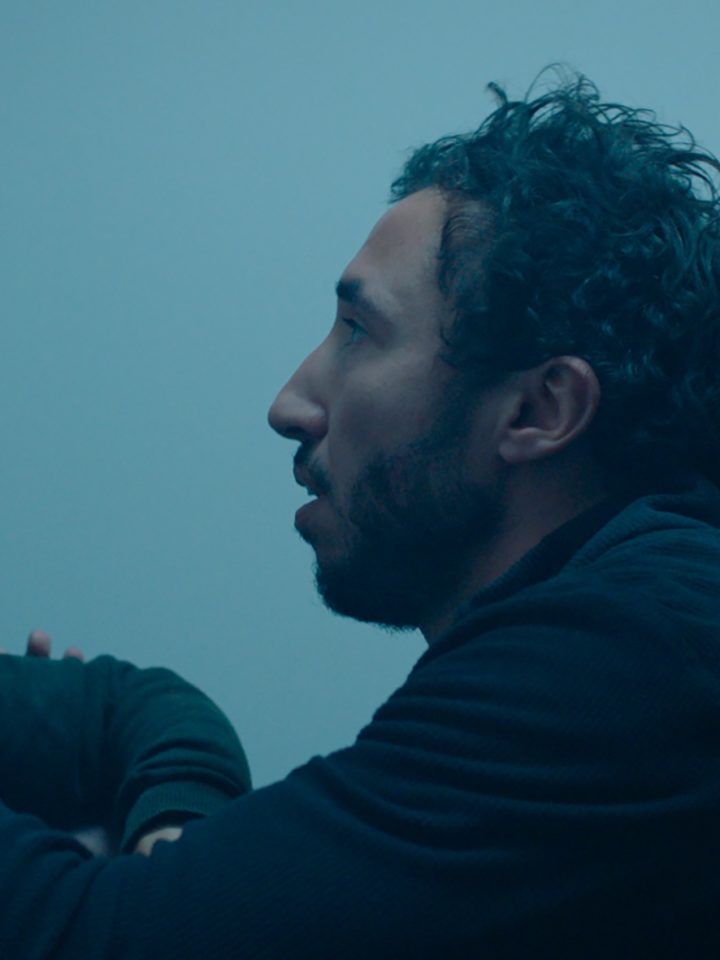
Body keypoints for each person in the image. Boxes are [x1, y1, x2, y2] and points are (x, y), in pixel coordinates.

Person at [2, 69, 720, 957]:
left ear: (539, 410)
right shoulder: (648, 621)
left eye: (358, 332)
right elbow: (147, 728)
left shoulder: (626, 654)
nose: (290, 404)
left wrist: (115, 892)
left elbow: (94, 941)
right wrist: (149, 855)